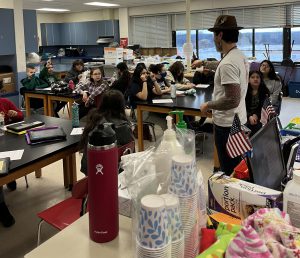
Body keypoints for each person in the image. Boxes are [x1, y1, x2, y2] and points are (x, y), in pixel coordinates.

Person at [199, 15, 249, 175]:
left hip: (227, 126)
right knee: (238, 168)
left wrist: (208, 105)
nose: (213, 39)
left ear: (220, 35)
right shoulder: (239, 55)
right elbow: (225, 67)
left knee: (230, 171)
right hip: (238, 120)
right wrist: (205, 63)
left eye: (214, 35)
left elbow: (232, 99)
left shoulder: (227, 63)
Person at [79, 90, 134, 175]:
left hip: (89, 167)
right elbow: (130, 152)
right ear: (121, 105)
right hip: (110, 172)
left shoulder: (93, 116)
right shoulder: (122, 126)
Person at [0, 80, 23, 227]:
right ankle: (2, 208)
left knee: (14, 156)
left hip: (7, 141)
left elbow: (20, 116)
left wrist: (15, 115)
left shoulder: (5, 102)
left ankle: (10, 178)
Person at [245, 71, 270, 136]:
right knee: (247, 124)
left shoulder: (264, 90)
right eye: (252, 77)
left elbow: (263, 106)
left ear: (260, 79)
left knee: (257, 125)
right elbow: (243, 106)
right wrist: (249, 116)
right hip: (246, 113)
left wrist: (256, 115)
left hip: (259, 114)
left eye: (257, 77)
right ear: (248, 80)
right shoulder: (244, 90)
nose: (255, 79)